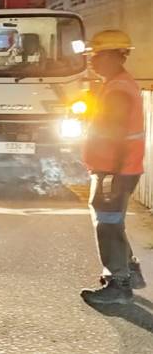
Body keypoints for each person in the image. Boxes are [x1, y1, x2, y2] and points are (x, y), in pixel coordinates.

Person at [80, 30, 146, 305]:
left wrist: (110, 175)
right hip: (117, 168)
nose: (92, 61)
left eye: (96, 55)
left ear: (113, 56)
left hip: (114, 170)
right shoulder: (117, 84)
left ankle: (118, 284)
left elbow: (115, 134)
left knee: (107, 225)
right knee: (113, 221)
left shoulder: (118, 90)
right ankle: (130, 270)